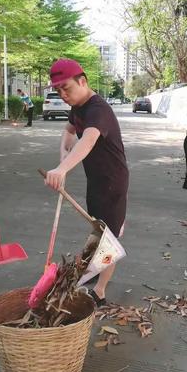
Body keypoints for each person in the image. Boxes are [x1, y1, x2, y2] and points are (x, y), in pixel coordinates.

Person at [44, 58, 129, 307]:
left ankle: (100, 292)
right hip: (96, 180)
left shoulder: (97, 109)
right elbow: (69, 133)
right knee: (98, 228)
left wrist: (62, 168)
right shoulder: (77, 107)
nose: (62, 94)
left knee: (108, 239)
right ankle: (98, 266)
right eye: (58, 89)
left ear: (83, 81)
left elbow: (88, 140)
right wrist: (63, 157)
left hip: (112, 181)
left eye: (66, 88)